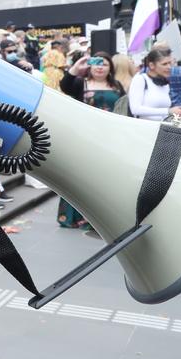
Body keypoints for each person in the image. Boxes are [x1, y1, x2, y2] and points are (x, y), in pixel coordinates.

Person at [57, 51, 125, 228]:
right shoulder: (81, 83)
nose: (100, 67)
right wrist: (76, 67)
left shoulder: (116, 85)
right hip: (84, 137)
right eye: (96, 63)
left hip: (110, 139)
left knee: (102, 178)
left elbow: (124, 109)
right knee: (80, 177)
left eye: (104, 63)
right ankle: (74, 217)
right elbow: (65, 85)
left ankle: (99, 218)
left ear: (110, 67)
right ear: (90, 66)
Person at [128, 46, 181, 121]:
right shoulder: (140, 79)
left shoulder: (165, 84)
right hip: (142, 129)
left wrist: (176, 115)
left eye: (170, 63)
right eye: (164, 64)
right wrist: (168, 111)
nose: (169, 67)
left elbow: (162, 115)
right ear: (151, 65)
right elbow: (135, 109)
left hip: (160, 130)